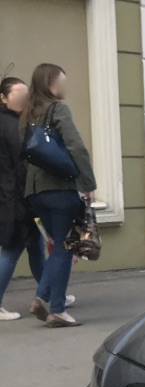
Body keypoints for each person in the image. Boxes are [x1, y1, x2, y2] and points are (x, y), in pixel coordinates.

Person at [21, 63, 94, 327]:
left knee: (58, 248)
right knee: (64, 247)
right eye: (62, 81)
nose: (64, 87)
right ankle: (57, 309)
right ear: (52, 84)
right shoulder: (58, 109)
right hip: (60, 189)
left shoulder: (28, 113)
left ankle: (42, 299)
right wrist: (88, 181)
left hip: (35, 193)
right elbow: (75, 145)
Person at [0, 76, 47, 321]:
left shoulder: (14, 121)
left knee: (36, 246)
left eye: (25, 95)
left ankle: (47, 293)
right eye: (18, 95)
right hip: (16, 197)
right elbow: (23, 164)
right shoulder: (11, 126)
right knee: (13, 248)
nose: (24, 100)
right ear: (3, 97)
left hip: (14, 196)